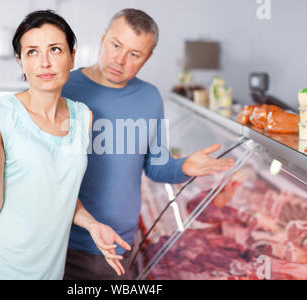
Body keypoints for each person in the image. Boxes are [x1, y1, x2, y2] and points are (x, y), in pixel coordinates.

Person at [0, 10, 130, 280]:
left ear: (72, 57)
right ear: (20, 62)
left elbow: (56, 191)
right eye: (32, 52)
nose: (44, 62)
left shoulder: (83, 116)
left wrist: (92, 224)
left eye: (55, 50)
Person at [62, 8, 235, 280]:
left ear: (148, 58)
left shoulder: (149, 97)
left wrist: (185, 166)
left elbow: (157, 167)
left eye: (134, 54)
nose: (119, 59)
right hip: (62, 242)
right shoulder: (64, 87)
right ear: (103, 37)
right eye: (115, 45)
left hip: (119, 246)